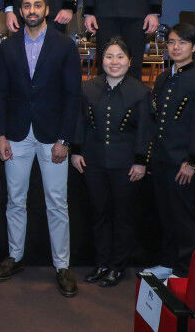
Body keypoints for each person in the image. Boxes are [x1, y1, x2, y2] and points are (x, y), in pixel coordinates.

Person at [0, 0, 81, 297]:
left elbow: (73, 96)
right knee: (15, 200)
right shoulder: (8, 47)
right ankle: (15, 258)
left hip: (52, 137)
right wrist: (1, 134)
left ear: (46, 10)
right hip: (16, 135)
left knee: (57, 202)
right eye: (26, 5)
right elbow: (0, 94)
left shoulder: (64, 46)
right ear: (19, 11)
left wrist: (64, 139)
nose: (31, 10)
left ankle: (62, 265)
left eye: (37, 5)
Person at [71, 37, 151, 287]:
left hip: (125, 165)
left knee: (122, 216)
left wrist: (140, 161)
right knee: (99, 214)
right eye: (108, 57)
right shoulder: (88, 88)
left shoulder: (141, 92)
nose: (114, 62)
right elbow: (80, 122)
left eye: (119, 57)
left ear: (129, 61)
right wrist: (76, 151)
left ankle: (118, 266)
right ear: (100, 60)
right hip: (94, 161)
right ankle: (102, 263)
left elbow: (145, 131)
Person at [142, 23, 195, 279]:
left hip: (183, 163)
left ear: (194, 47)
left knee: (184, 218)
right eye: (172, 42)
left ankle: (184, 270)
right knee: (165, 214)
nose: (175, 48)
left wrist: (193, 162)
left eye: (182, 43)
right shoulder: (164, 77)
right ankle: (168, 261)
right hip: (162, 158)